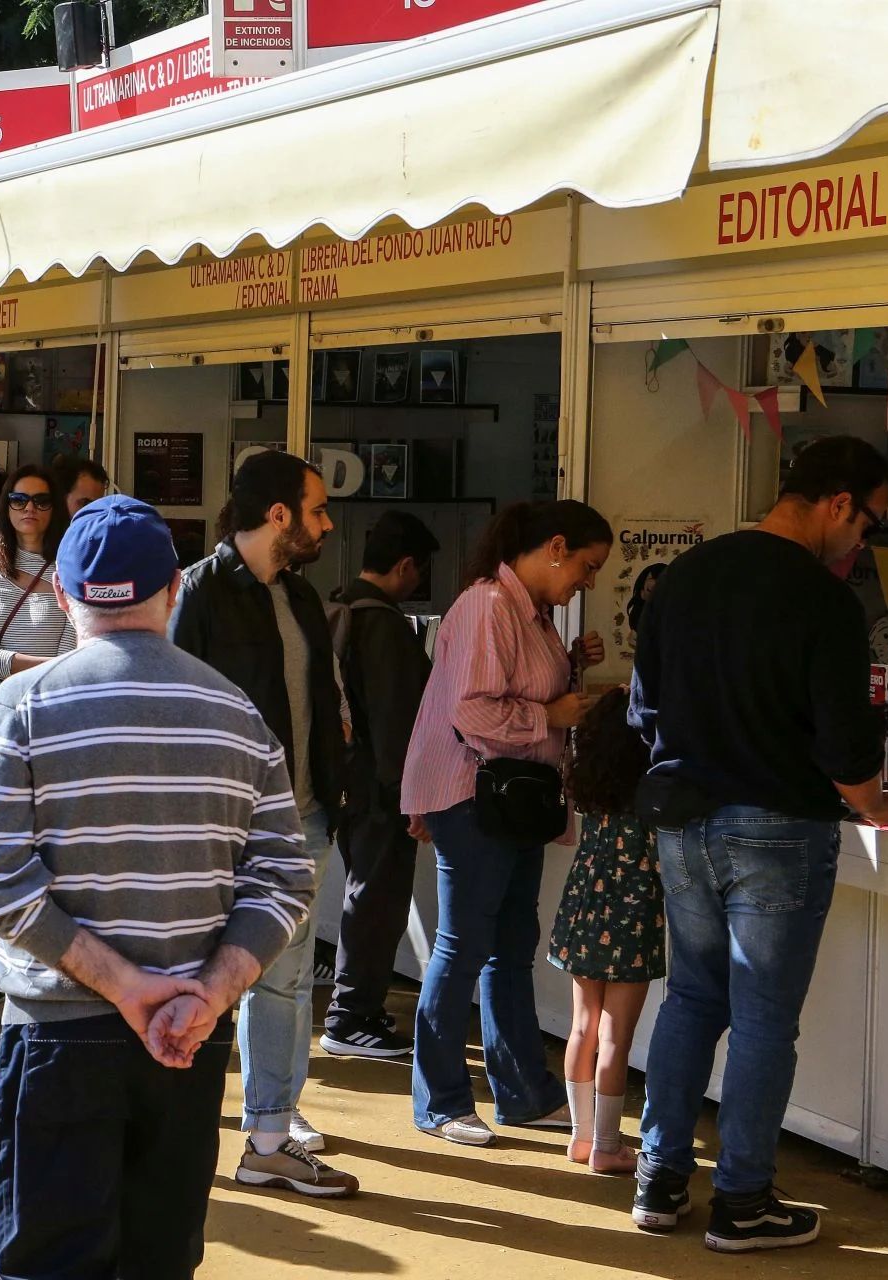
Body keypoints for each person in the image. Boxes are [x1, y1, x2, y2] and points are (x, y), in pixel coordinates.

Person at [0, 495, 316, 1280]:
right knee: (161, 1262)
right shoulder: (237, 713)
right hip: (188, 1040)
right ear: (176, 589)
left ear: (62, 593)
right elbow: (286, 877)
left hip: (57, 1033)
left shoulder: (22, 707)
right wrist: (211, 993)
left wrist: (124, 986)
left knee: (49, 1263)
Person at [627, 435, 888, 1250]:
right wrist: (878, 803)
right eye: (869, 523)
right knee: (759, 1020)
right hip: (777, 829)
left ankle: (660, 1178)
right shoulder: (821, 599)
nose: (864, 544)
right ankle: (743, 1200)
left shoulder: (686, 576)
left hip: (681, 819)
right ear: (836, 503)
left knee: (689, 998)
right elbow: (847, 748)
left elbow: (644, 709)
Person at [170, 450, 355, 1193]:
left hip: (301, 819)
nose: (326, 523)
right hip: (222, 826)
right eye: (315, 509)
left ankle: (271, 1130)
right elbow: (175, 712)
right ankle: (190, 1126)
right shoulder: (200, 593)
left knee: (285, 978)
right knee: (204, 975)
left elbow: (321, 701)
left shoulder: (305, 598)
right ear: (277, 515)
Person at [400, 499, 612, 1147]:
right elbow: (474, 712)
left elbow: (521, 693)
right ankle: (439, 1101)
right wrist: (552, 715)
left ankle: (522, 1093)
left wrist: (568, 668)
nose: (589, 580)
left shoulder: (528, 611)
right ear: (554, 545)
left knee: (510, 945)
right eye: (586, 564)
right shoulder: (490, 605)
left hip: (508, 798)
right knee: (466, 946)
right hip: (475, 795)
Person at [0, 464, 75, 1029]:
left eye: (42, 501)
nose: (30, 510)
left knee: (51, 847)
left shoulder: (68, 575)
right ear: (3, 506)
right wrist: (51, 666)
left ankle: (43, 968)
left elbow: (75, 650)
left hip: (57, 727)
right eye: (20, 500)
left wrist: (33, 668)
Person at [320, 511, 440, 1060]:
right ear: (405, 564)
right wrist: (412, 796)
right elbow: (396, 722)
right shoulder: (386, 625)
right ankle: (353, 1017)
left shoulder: (336, 606)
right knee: (377, 898)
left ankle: (354, 1010)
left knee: (362, 894)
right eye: (419, 571)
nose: (419, 582)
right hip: (380, 787)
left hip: (344, 779)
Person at [549, 686, 661, 1176]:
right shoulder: (651, 799)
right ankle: (609, 1145)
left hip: (584, 910)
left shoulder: (589, 790)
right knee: (616, 1037)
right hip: (632, 918)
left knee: (582, 1027)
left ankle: (581, 1136)